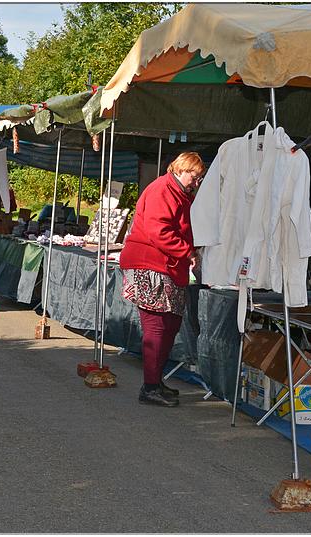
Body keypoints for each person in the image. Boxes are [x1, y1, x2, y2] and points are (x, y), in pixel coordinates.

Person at [119, 152, 205, 407]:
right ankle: (150, 387)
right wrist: (187, 250)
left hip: (164, 266)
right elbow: (160, 231)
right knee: (157, 327)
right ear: (180, 168)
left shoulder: (176, 192)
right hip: (150, 265)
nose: (196, 182)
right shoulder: (163, 190)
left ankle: (155, 382)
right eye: (194, 175)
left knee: (169, 325)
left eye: (200, 178)